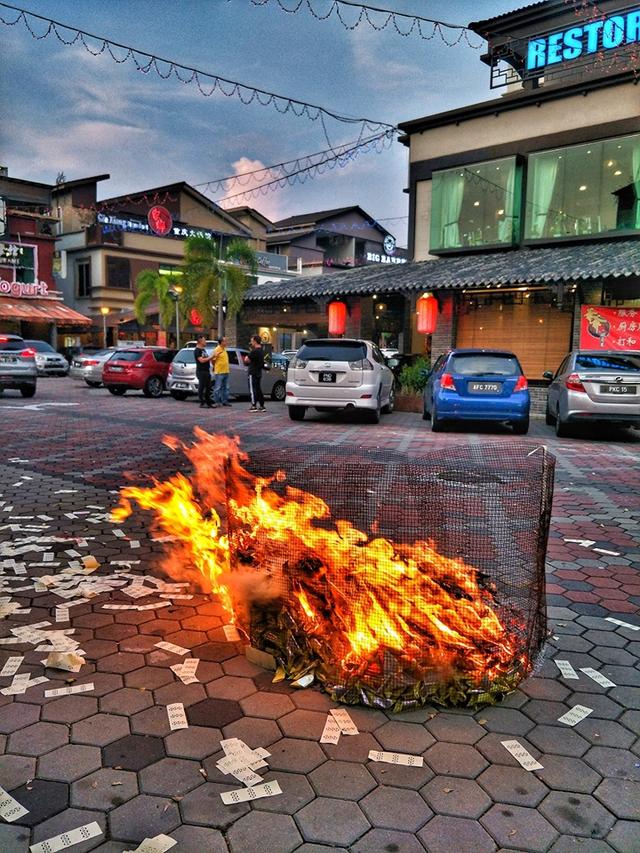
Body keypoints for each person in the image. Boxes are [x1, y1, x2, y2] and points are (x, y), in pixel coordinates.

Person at [244, 334, 266, 412]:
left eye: (252, 341)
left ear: (255, 341)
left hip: (252, 372)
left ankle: (254, 405)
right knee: (258, 388)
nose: (251, 342)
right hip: (258, 372)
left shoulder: (254, 351)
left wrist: (247, 357)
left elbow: (246, 359)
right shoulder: (261, 351)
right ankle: (262, 406)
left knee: (252, 389)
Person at [194, 334, 214, 408]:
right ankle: (202, 403)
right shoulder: (197, 351)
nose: (205, 342)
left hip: (207, 371)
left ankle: (208, 403)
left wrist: (212, 357)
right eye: (204, 340)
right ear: (200, 341)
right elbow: (201, 360)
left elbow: (207, 358)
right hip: (201, 371)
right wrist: (210, 357)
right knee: (202, 387)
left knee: (208, 387)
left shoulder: (203, 350)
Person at [212, 336, 231, 407]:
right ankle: (217, 402)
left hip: (226, 371)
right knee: (218, 387)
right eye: (225, 341)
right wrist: (216, 367)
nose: (226, 342)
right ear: (221, 342)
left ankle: (224, 401)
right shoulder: (217, 349)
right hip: (219, 372)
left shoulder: (224, 349)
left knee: (226, 387)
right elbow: (213, 360)